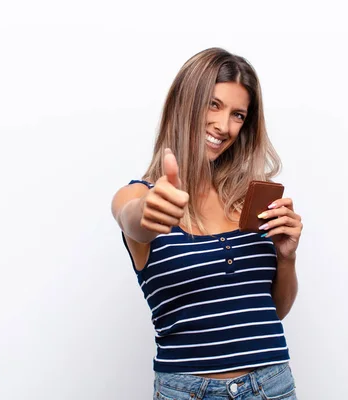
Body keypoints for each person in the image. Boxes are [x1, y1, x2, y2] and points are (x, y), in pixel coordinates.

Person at [111, 47, 303, 399]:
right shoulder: (138, 196)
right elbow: (131, 219)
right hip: (188, 391)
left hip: (271, 385)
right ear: (185, 103)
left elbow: (271, 312)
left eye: (238, 115)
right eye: (213, 105)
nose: (223, 126)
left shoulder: (250, 201)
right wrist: (147, 212)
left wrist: (287, 257)